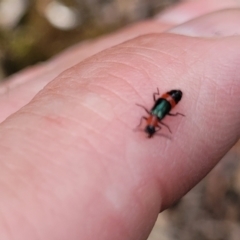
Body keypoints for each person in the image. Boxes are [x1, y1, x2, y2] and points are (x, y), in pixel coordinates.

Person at [0, 0, 240, 239]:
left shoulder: (153, 117)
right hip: (169, 98)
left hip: (171, 97)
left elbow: (160, 109)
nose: (149, 126)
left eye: (149, 127)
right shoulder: (154, 117)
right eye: (150, 128)